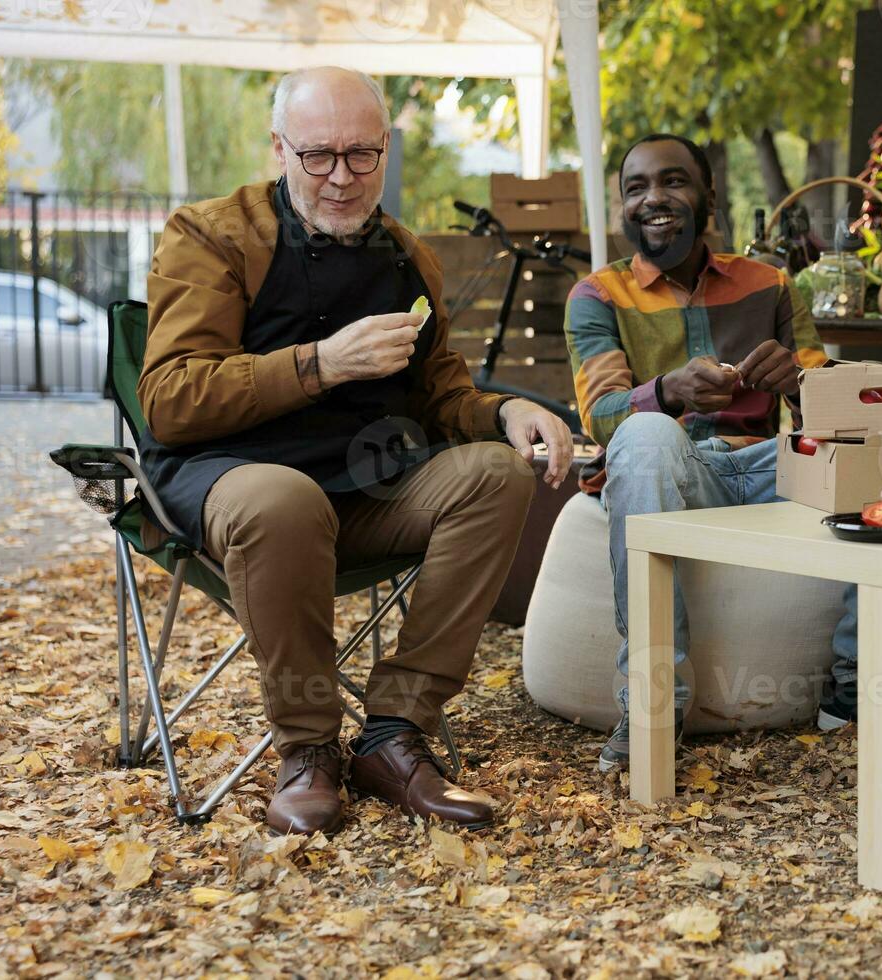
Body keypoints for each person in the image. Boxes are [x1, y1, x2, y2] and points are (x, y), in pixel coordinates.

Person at [138, 67, 573, 836]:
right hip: (232, 482)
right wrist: (320, 363)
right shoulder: (212, 236)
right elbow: (172, 399)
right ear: (279, 149)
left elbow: (443, 400)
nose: (341, 178)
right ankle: (307, 749)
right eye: (317, 156)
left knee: (495, 476)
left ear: (383, 148)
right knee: (284, 499)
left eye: (361, 155)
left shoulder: (407, 256)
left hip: (368, 488)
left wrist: (507, 410)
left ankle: (393, 733)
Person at [564, 133, 874, 773]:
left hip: (769, 469)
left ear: (708, 195)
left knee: (880, 445)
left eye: (674, 181)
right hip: (679, 471)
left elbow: (835, 410)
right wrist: (668, 392)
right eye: (636, 187)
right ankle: (654, 706)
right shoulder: (597, 297)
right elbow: (601, 419)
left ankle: (856, 689)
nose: (655, 198)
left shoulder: (770, 284)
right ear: (622, 207)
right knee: (647, 433)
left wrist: (799, 383)